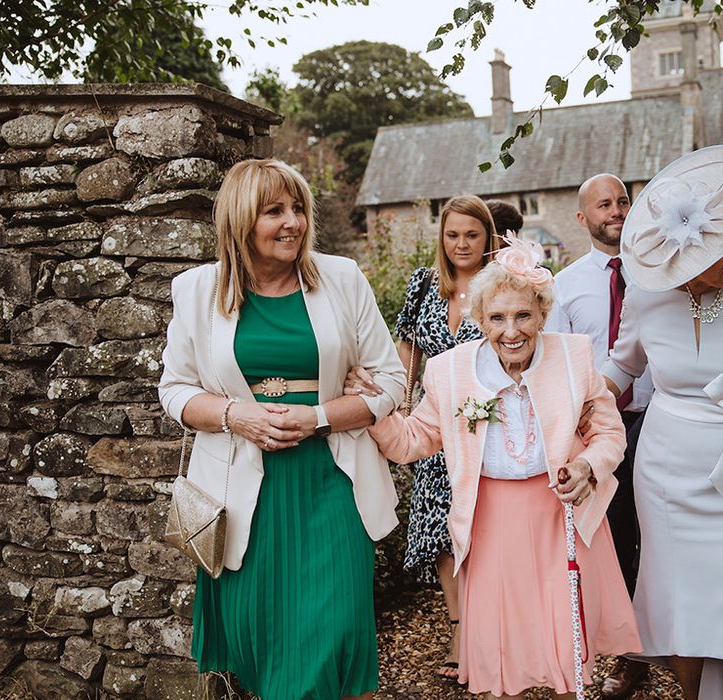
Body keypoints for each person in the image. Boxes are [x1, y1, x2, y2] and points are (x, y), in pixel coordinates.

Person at [158, 158, 406, 700]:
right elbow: (174, 390)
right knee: (268, 649)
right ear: (241, 220)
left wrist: (318, 416)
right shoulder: (198, 291)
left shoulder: (341, 278)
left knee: (336, 638)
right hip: (244, 499)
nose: (292, 221)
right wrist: (234, 415)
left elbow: (392, 383)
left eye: (298, 208)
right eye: (274, 211)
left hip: (332, 487)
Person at [364, 234, 642, 699]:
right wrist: (371, 408)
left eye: (522, 316)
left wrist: (588, 467)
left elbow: (610, 433)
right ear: (480, 320)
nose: (511, 331)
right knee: (501, 645)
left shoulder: (573, 358)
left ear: (541, 316)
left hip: (560, 515)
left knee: (564, 643)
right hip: (489, 517)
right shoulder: (449, 372)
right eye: (497, 318)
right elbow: (412, 440)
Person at [351, 195, 498, 680]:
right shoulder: (423, 284)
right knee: (440, 535)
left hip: (486, 428)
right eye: (452, 234)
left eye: (471, 235)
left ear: (487, 237)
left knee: (481, 531)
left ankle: (492, 630)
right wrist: (396, 401)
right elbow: (406, 349)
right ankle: (459, 629)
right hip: (434, 428)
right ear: (442, 236)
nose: (461, 244)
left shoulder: (500, 284)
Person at [602, 145, 723, 700]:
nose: (691, 280)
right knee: (675, 594)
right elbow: (622, 362)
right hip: (666, 465)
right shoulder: (647, 292)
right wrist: (573, 404)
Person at [546, 173, 654, 697]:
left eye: (623, 201)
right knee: (618, 540)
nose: (616, 210)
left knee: (664, 536)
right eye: (604, 204)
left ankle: (681, 637)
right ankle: (631, 654)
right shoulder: (563, 286)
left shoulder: (663, 275)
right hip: (601, 434)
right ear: (582, 218)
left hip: (662, 420)